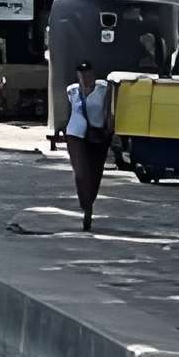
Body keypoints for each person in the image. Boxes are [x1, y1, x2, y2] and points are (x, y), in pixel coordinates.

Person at [59, 60, 116, 232]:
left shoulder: (104, 89)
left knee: (95, 171)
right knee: (81, 171)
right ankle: (85, 205)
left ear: (93, 74)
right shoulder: (72, 91)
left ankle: (89, 202)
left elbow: (109, 111)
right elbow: (70, 112)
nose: (85, 78)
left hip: (98, 134)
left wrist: (110, 129)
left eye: (88, 74)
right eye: (82, 74)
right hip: (76, 134)